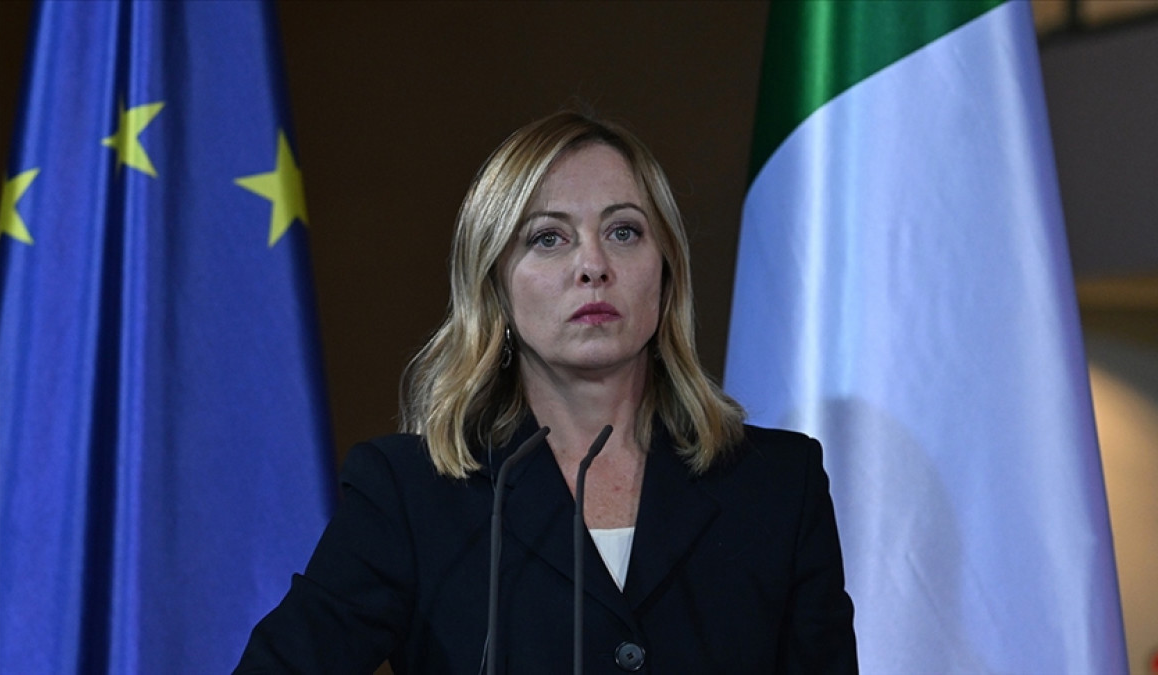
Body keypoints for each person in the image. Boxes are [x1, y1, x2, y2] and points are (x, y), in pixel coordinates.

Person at [235, 111, 857, 673]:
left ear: (666, 274)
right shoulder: (410, 494)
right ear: (494, 286)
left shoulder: (779, 484)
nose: (593, 266)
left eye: (624, 232)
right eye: (548, 238)